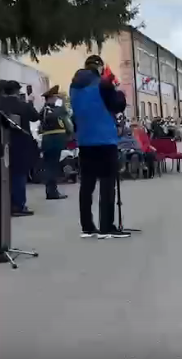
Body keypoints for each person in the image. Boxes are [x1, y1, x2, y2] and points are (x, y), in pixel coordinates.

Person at [70, 55, 129, 239]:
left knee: (87, 184)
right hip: (104, 139)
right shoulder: (103, 83)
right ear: (100, 67)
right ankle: (106, 226)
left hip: (85, 140)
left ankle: (87, 227)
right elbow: (117, 105)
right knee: (107, 183)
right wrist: (118, 91)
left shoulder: (74, 86)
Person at [0, 80, 41, 216]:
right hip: (20, 144)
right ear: (17, 91)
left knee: (6, 175)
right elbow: (35, 117)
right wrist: (30, 102)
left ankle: (6, 205)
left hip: (3, 143)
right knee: (19, 175)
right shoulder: (23, 105)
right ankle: (18, 206)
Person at [38, 85, 73, 200]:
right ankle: (52, 192)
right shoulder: (56, 110)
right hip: (54, 140)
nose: (56, 99)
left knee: (50, 166)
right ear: (51, 98)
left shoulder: (44, 110)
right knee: (53, 167)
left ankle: (51, 191)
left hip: (48, 140)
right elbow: (66, 122)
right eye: (55, 97)